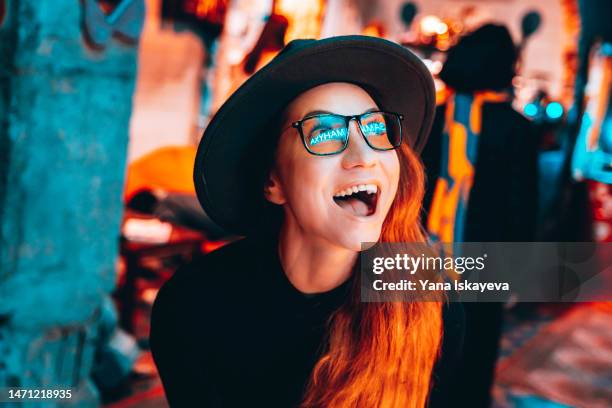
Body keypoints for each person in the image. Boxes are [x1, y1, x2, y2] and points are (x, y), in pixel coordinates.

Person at [150, 36, 464, 407]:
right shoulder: (193, 306)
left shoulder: (434, 302)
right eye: (327, 134)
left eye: (376, 129)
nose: (364, 157)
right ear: (273, 181)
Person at [421, 24, 539, 407]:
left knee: (420, 347)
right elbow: (522, 210)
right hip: (487, 261)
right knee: (476, 349)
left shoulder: (432, 120)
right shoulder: (517, 129)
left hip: (424, 254)